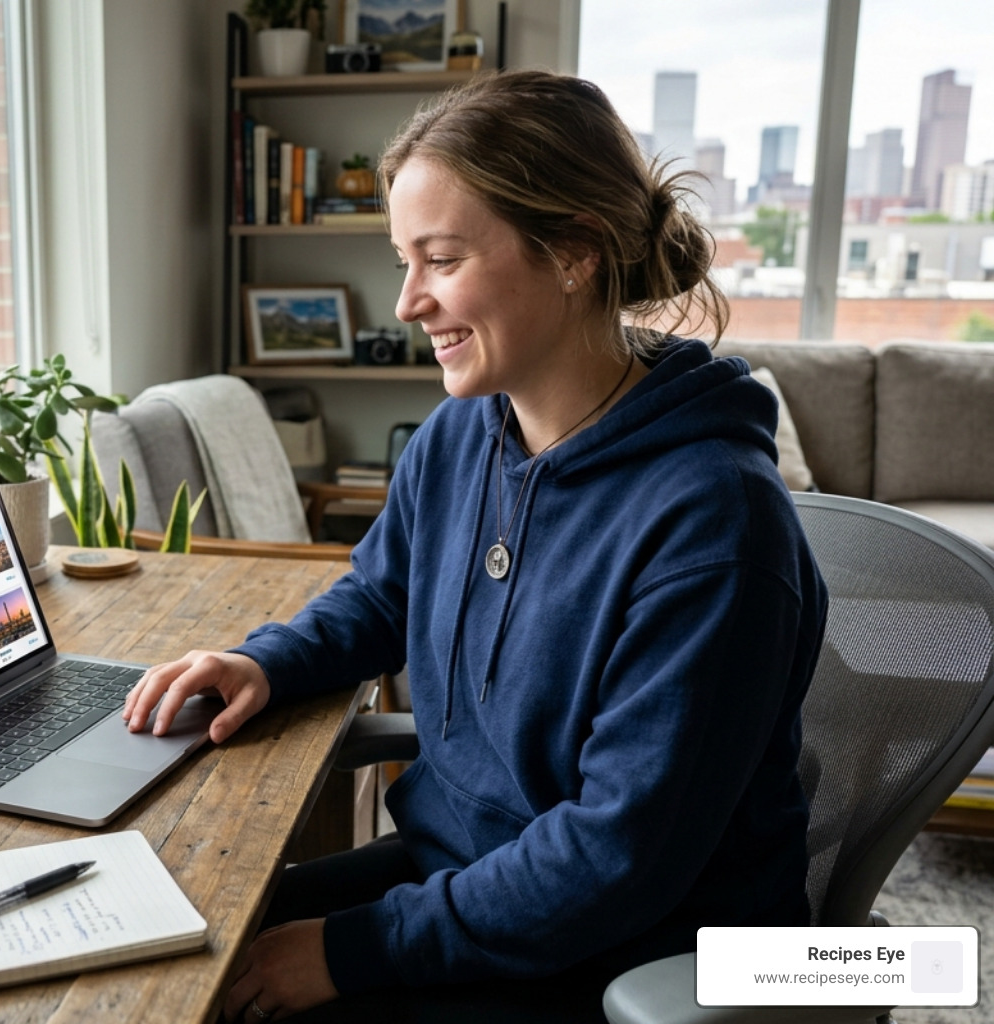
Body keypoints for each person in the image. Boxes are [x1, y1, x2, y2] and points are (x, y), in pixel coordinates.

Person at [123, 70, 827, 1023]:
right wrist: (263, 661)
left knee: (204, 1001)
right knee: (166, 942)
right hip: (462, 880)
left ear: (575, 252)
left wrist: (351, 951)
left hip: (624, 956)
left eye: (441, 260)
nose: (407, 301)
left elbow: (614, 860)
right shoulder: (466, 432)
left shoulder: (715, 526)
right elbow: (383, 597)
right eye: (401, 260)